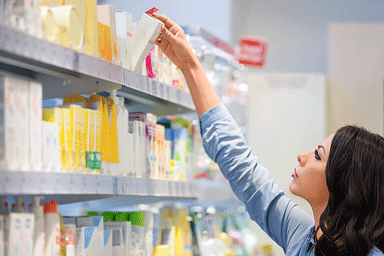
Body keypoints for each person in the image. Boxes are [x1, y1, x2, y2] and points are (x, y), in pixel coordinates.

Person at [152, 13, 384, 256]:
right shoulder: (303, 235)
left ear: (342, 182)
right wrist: (189, 64)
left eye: (317, 155)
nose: (302, 156)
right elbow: (246, 175)